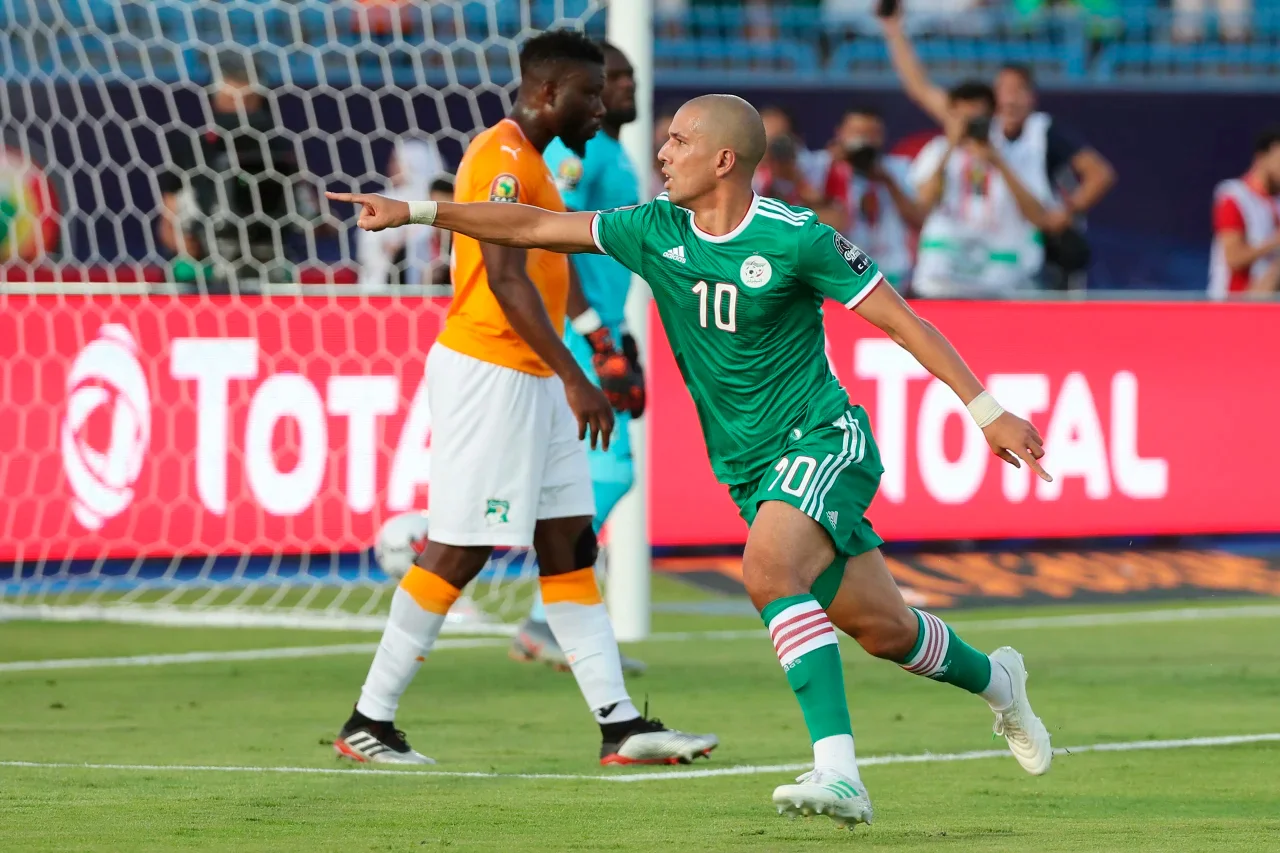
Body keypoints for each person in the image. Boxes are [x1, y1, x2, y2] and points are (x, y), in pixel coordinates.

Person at [329, 93, 1053, 828]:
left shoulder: (796, 238)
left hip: (823, 439)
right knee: (886, 630)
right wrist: (418, 212)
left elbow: (905, 323)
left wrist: (987, 411)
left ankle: (839, 773)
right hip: (748, 468)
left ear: (724, 160)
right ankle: (1001, 682)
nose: (663, 153)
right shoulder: (653, 228)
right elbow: (534, 225)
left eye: (679, 141)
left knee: (767, 572)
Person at [326, 31, 716, 767]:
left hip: (532, 374)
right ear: (546, 92)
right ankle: (369, 720)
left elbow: (549, 265)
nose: (599, 108)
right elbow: (507, 280)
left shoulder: (534, 162)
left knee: (568, 541)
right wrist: (576, 375)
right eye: (589, 94)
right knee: (462, 546)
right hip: (492, 371)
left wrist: (593, 343)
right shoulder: (502, 158)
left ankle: (621, 726)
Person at [510, 42, 647, 675]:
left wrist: (622, 335)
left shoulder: (613, 152)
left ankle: (554, 619)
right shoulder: (574, 155)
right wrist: (596, 336)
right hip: (577, 336)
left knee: (586, 473)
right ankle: (549, 617)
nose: (624, 87)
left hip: (601, 330)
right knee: (608, 472)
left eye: (628, 77)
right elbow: (553, 243)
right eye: (611, 79)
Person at [882, 8, 1115, 289]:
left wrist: (1067, 211)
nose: (1010, 100)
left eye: (1018, 91)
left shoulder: (1039, 134)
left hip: (1009, 269)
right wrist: (894, 30)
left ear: (1032, 97)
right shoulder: (971, 126)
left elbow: (1098, 174)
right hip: (952, 269)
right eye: (1004, 91)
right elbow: (920, 87)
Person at [156, 52, 321, 293]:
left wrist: (318, 218)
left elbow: (311, 215)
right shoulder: (192, 148)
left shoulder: (280, 148)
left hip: (269, 255)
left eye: (247, 99)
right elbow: (168, 218)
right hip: (205, 257)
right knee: (181, 273)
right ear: (215, 98)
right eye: (230, 99)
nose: (239, 108)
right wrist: (183, 243)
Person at [907, 81, 1055, 297]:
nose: (970, 126)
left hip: (1000, 283)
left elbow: (1038, 216)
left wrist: (998, 162)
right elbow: (922, 207)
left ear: (993, 116)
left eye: (977, 118)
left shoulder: (1019, 153)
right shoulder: (936, 150)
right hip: (941, 280)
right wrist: (951, 146)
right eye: (963, 118)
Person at [826, 106, 924, 292]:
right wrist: (835, 169)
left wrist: (888, 181)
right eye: (857, 133)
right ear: (840, 133)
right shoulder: (824, 167)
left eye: (872, 133)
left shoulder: (900, 168)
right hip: (842, 279)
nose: (864, 141)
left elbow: (918, 219)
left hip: (893, 278)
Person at [356, 139, 451, 291]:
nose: (391, 166)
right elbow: (368, 250)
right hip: (382, 285)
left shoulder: (435, 203)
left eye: (396, 161)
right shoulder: (381, 200)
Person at [1209, 126, 1280, 298]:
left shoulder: (1276, 202)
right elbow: (1233, 257)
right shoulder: (1234, 196)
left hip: (1268, 301)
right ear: (1262, 157)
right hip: (1233, 303)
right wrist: (1275, 242)